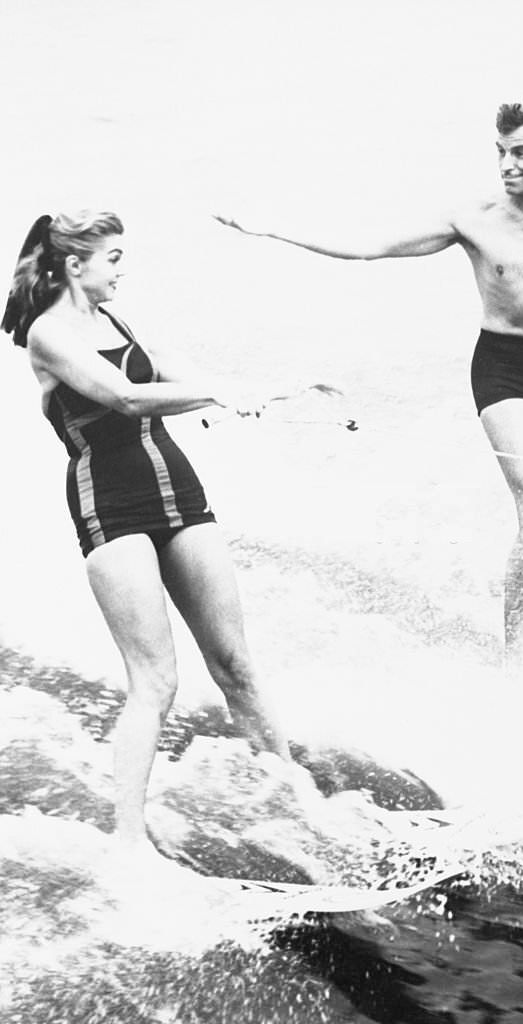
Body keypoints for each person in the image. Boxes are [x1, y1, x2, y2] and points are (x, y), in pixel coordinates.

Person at [215, 100, 523, 667]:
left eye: (520, 152)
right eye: (500, 152)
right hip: (503, 371)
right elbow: (369, 245)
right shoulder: (473, 221)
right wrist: (271, 228)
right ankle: (517, 661)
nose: (506, 164)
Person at [2, 209, 304, 861]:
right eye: (113, 257)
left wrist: (250, 389)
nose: (122, 268)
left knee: (237, 666)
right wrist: (213, 396)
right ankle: (130, 843)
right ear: (74, 265)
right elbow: (126, 396)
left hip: (176, 487)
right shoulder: (46, 335)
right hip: (109, 502)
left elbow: (171, 367)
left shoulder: (115, 320)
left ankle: (299, 808)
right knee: (156, 682)